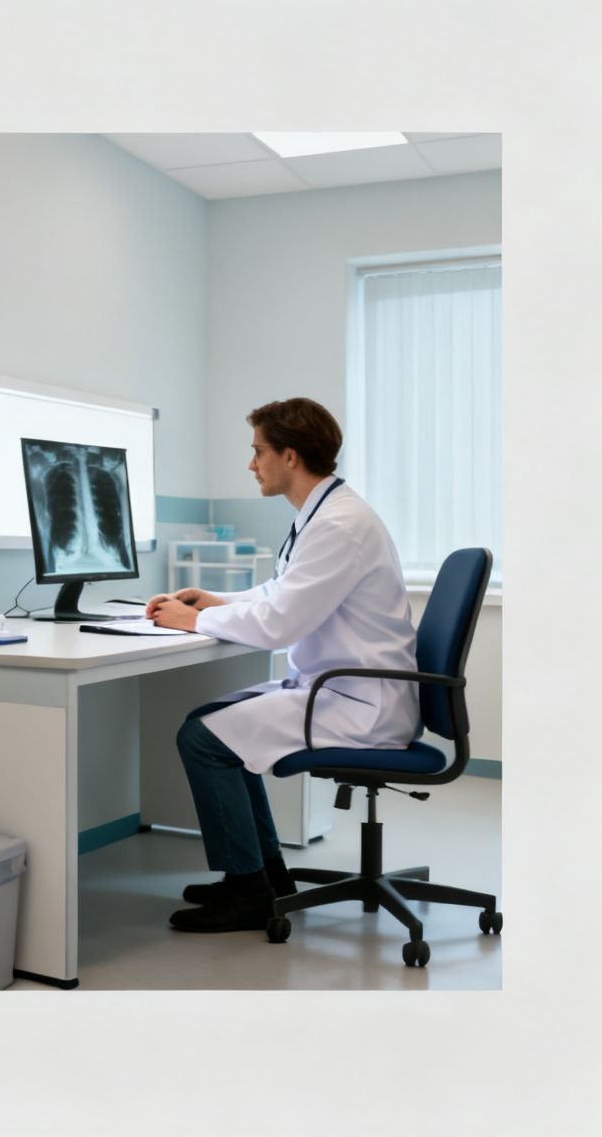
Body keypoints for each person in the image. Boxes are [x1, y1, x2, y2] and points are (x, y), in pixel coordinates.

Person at [145, 397, 419, 933]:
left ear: (289, 456)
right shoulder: (323, 515)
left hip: (359, 702)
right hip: (341, 687)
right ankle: (266, 876)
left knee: (203, 738)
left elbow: (280, 624)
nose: (252, 464)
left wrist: (189, 622)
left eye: (258, 452)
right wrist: (217, 603)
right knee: (216, 726)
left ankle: (249, 890)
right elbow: (283, 592)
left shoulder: (339, 525)